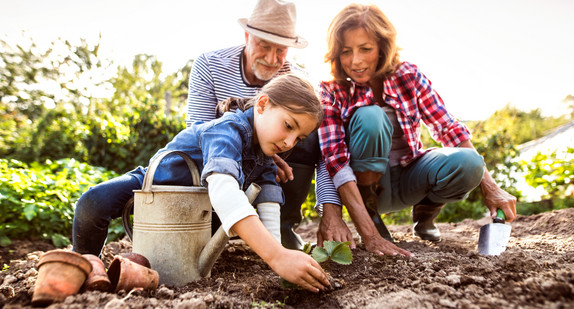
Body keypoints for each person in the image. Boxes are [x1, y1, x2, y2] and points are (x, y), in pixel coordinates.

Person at [73, 75, 330, 292]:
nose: (289, 142)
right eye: (288, 126)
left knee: (218, 227)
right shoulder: (227, 130)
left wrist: (278, 253)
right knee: (93, 202)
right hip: (154, 186)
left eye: (299, 138)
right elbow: (223, 188)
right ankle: (84, 266)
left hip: (193, 213)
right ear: (262, 104)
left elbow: (269, 203)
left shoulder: (264, 153)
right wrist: (277, 257)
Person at [314, 3, 517, 257]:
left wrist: (491, 188)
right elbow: (334, 162)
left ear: (381, 48)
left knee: (470, 163)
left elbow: (447, 128)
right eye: (346, 51)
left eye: (365, 49)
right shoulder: (331, 90)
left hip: (411, 176)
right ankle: (373, 217)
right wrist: (371, 236)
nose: (355, 61)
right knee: (371, 117)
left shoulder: (407, 75)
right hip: (366, 189)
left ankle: (425, 213)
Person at [186, 0, 320, 250]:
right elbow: (200, 131)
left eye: (281, 50)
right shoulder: (210, 65)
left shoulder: (298, 81)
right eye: (264, 46)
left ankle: (282, 224)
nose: (272, 59)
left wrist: (275, 152)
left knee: (305, 128)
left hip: (269, 162)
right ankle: (211, 220)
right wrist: (260, 154)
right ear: (247, 36)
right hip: (221, 160)